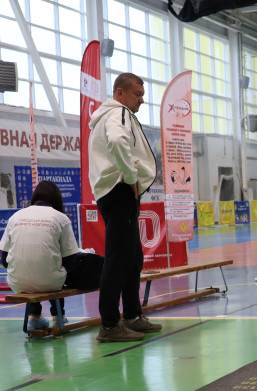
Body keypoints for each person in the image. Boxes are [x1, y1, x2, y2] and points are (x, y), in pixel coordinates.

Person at [88, 72, 162, 342]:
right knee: (118, 259)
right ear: (120, 93)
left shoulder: (112, 116)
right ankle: (109, 325)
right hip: (119, 190)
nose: (141, 100)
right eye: (137, 94)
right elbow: (119, 142)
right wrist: (131, 177)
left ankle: (132, 315)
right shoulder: (117, 113)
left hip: (118, 192)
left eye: (142, 95)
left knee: (133, 258)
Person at [0, 180, 103, 331]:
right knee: (59, 265)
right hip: (51, 281)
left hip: (17, 282)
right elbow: (70, 260)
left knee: (34, 268)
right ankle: (58, 317)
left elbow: (4, 260)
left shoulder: (15, 217)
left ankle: (34, 317)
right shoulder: (61, 218)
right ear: (57, 199)